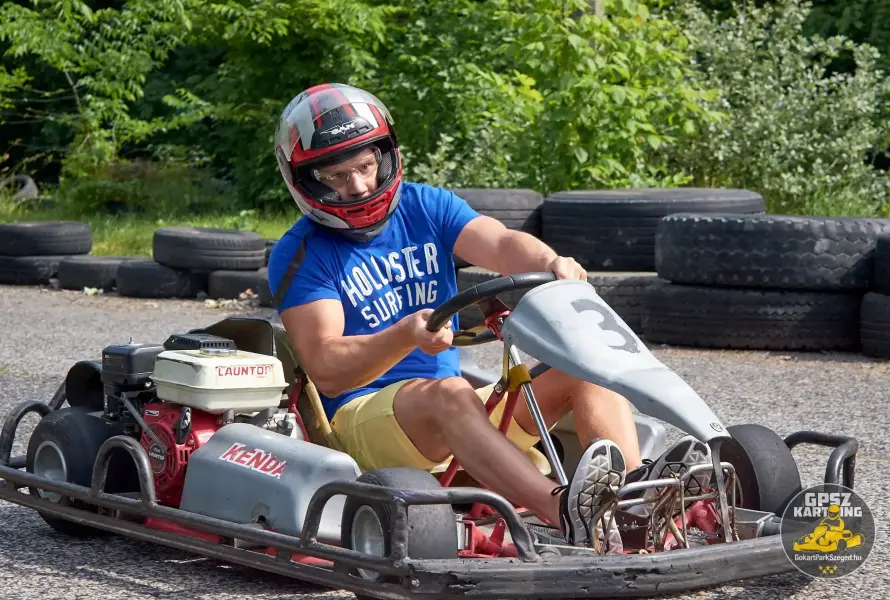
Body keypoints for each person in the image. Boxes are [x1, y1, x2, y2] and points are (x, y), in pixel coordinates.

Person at [268, 83, 709, 548]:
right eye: (337, 176)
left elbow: (499, 243)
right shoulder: (302, 252)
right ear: (307, 181)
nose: (359, 186)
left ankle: (632, 503)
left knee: (584, 366)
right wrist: (403, 336)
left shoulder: (425, 206)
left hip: (452, 416)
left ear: (386, 155)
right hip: (363, 422)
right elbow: (327, 367)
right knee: (452, 392)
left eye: (365, 166)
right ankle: (564, 512)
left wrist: (549, 263)